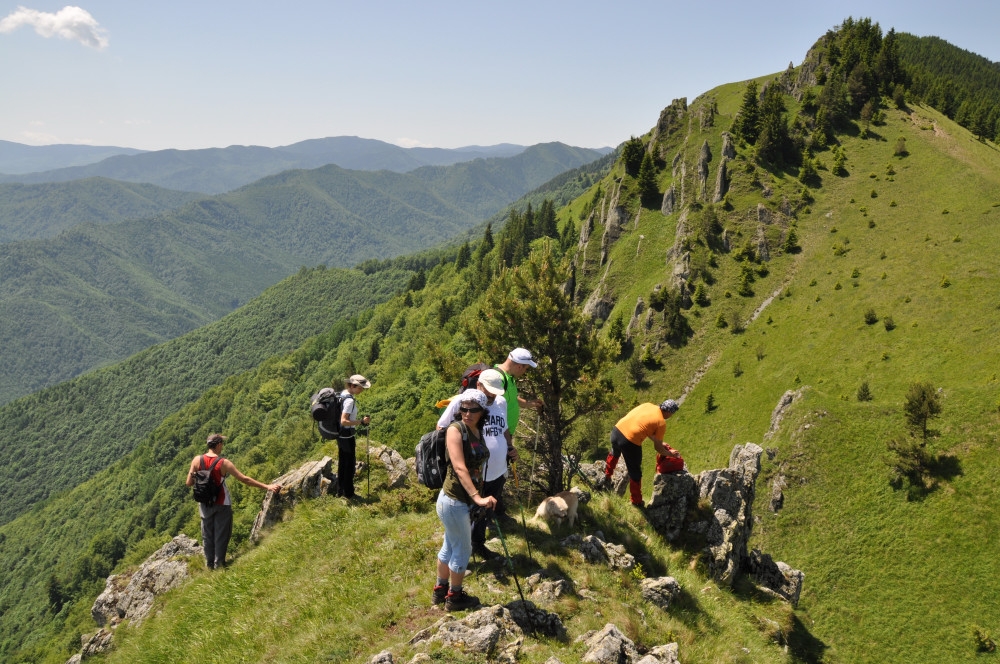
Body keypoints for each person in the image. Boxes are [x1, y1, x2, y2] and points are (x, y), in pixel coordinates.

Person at [436, 369, 514, 559]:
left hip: (497, 470)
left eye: (496, 391)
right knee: (465, 514)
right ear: (478, 385)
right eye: (489, 390)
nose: (492, 395)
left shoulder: (500, 402)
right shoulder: (464, 402)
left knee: (484, 513)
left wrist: (510, 446)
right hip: (474, 474)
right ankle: (458, 554)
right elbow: (441, 427)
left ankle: (477, 544)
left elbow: (504, 428)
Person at [432, 390, 497, 611]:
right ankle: (455, 597)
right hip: (454, 500)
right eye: (463, 409)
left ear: (482, 411)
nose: (467, 413)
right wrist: (477, 497)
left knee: (449, 544)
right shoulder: (455, 429)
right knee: (463, 548)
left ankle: (440, 591)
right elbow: (459, 468)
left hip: (457, 500)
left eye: (473, 409)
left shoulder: (476, 430)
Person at [186, 433, 281, 569]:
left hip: (204, 503)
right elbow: (244, 479)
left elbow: (189, 483)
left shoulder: (196, 460)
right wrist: (267, 486)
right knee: (221, 534)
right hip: (222, 503)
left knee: (207, 535)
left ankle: (209, 566)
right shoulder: (223, 463)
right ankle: (219, 565)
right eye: (222, 444)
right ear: (218, 445)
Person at [604, 399, 680, 508]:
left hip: (617, 430)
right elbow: (658, 448)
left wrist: (660, 442)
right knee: (635, 472)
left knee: (615, 453)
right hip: (629, 441)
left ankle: (607, 476)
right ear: (668, 412)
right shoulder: (661, 422)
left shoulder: (648, 405)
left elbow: (645, 427)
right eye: (672, 413)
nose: (671, 415)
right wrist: (670, 454)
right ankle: (636, 501)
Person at [494, 347, 543, 440]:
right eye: (526, 369)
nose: (525, 372)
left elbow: (511, 398)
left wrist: (529, 403)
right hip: (500, 436)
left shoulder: (509, 377)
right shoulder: (497, 378)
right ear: (520, 367)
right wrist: (507, 441)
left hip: (505, 435)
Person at [337, 374, 371, 499]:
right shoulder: (350, 400)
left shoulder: (343, 393)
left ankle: (340, 491)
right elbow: (344, 421)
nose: (361, 390)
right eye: (360, 388)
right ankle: (349, 493)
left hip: (340, 435)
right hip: (347, 435)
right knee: (349, 464)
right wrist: (361, 422)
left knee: (342, 463)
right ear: (353, 386)